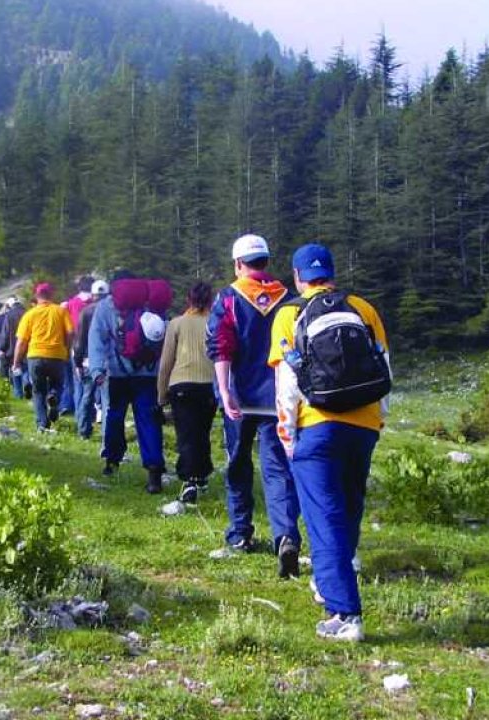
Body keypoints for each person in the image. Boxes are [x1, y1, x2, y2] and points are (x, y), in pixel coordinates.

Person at [269, 243, 391, 643]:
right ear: (332, 273)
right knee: (349, 507)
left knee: (323, 519)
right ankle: (334, 578)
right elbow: (383, 366)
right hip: (364, 423)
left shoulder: (289, 313)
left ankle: (344, 613)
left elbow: (287, 384)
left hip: (316, 424)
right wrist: (378, 419)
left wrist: (287, 436)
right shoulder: (362, 307)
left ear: (298, 276)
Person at [207, 234, 302, 578]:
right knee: (277, 470)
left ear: (237, 264)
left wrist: (224, 389)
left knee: (238, 465)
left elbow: (221, 347)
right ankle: (285, 535)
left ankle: (240, 533)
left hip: (240, 398)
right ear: (266, 261)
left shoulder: (230, 298)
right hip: (277, 398)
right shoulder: (288, 300)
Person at [89, 271, 169, 493]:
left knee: (114, 416)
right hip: (148, 375)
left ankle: (112, 461)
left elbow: (96, 339)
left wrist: (96, 370)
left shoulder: (107, 306)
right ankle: (154, 473)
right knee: (149, 421)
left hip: (116, 374)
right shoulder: (151, 303)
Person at [157, 282, 216, 505]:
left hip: (181, 384)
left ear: (188, 300)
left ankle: (189, 479)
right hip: (209, 385)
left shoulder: (176, 324)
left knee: (186, 435)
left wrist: (161, 395)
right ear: (210, 300)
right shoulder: (214, 322)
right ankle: (201, 475)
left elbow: (166, 363)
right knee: (202, 432)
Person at [12, 283, 74, 431]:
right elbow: (71, 332)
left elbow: (21, 341)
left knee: (38, 391)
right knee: (58, 384)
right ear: (51, 295)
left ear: (36, 296)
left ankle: (42, 423)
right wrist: (67, 348)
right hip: (57, 355)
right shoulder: (61, 311)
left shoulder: (29, 314)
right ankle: (54, 396)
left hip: (35, 356)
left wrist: (16, 362)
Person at [73, 280, 110, 439]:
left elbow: (79, 340)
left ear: (93, 295)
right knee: (107, 400)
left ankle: (83, 430)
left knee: (87, 396)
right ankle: (107, 434)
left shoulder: (86, 311)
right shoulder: (111, 311)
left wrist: (77, 362)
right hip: (108, 360)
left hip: (89, 359)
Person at [60, 276, 95, 415]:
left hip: (76, 343)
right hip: (94, 345)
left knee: (76, 380)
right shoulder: (97, 302)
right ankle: (92, 410)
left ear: (79, 287)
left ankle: (75, 408)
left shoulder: (71, 303)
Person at [0, 297, 27, 398]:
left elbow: (5, 333)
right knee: (26, 368)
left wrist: (2, 348)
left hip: (13, 347)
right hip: (27, 346)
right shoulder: (28, 314)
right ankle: (27, 383)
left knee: (15, 368)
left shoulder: (9, 315)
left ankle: (18, 393)